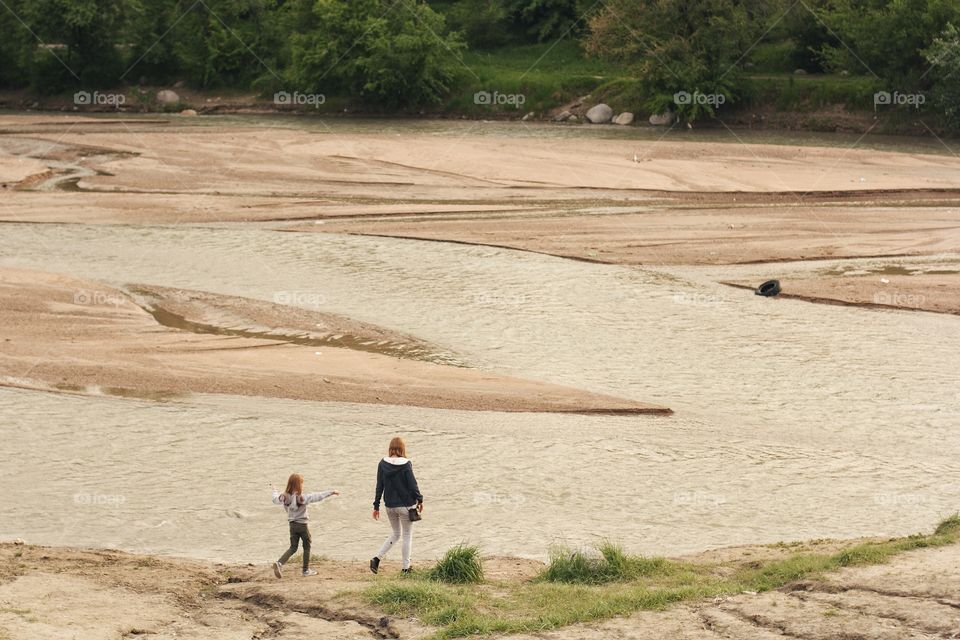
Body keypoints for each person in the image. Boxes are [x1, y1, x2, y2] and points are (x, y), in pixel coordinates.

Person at [370, 436, 423, 574]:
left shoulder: (382, 464)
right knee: (406, 536)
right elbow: (412, 484)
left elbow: (379, 486)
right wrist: (420, 499)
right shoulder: (406, 464)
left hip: (389, 506)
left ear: (390, 448)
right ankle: (406, 568)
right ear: (402, 448)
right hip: (405, 505)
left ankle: (376, 559)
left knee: (396, 534)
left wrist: (376, 506)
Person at [271, 473, 338, 578]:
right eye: (301, 483)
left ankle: (279, 563)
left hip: (292, 525)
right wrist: (331, 492)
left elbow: (275, 499)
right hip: (302, 525)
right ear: (298, 485)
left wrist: (274, 490)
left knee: (293, 547)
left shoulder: (284, 497)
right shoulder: (302, 498)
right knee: (307, 546)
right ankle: (306, 570)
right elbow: (317, 496)